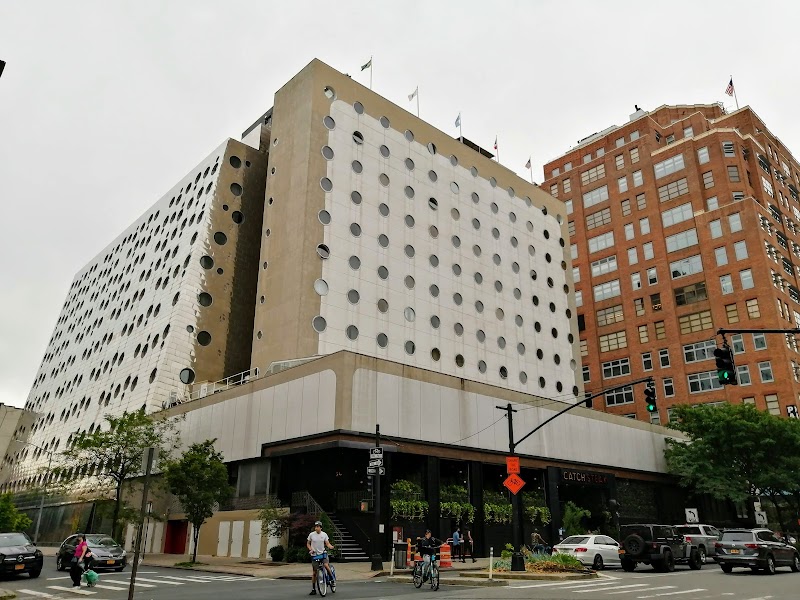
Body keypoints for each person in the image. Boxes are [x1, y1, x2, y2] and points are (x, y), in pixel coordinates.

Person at [307, 520, 335, 596]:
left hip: (323, 554)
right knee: (314, 572)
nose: (316, 528)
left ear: (321, 528)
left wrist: (330, 546)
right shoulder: (311, 535)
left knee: (326, 565)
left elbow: (327, 543)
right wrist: (310, 549)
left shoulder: (324, 534)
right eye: (315, 527)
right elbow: (308, 544)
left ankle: (332, 579)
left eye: (318, 526)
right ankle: (313, 589)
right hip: (315, 555)